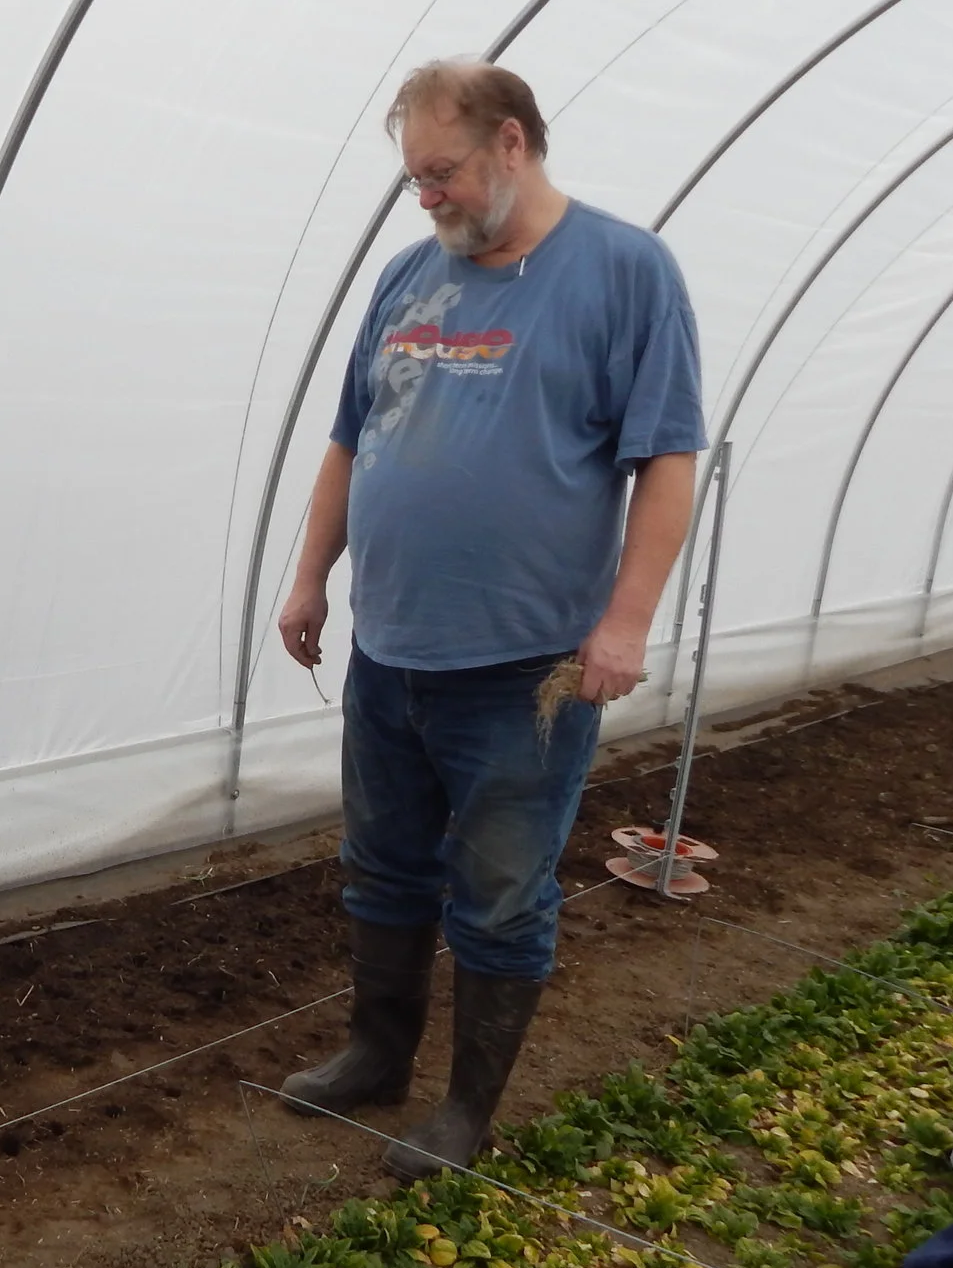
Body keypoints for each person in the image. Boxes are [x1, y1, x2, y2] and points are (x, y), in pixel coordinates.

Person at [275, 61, 703, 1177]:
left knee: (503, 894)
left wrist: (625, 624)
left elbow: (665, 459)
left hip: (526, 671)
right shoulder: (409, 279)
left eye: (443, 173)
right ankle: (376, 1053)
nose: (429, 199)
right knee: (383, 868)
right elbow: (347, 440)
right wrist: (310, 576)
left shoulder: (623, 272)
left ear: (511, 144)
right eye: (415, 180)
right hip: (390, 649)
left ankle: (466, 1109)